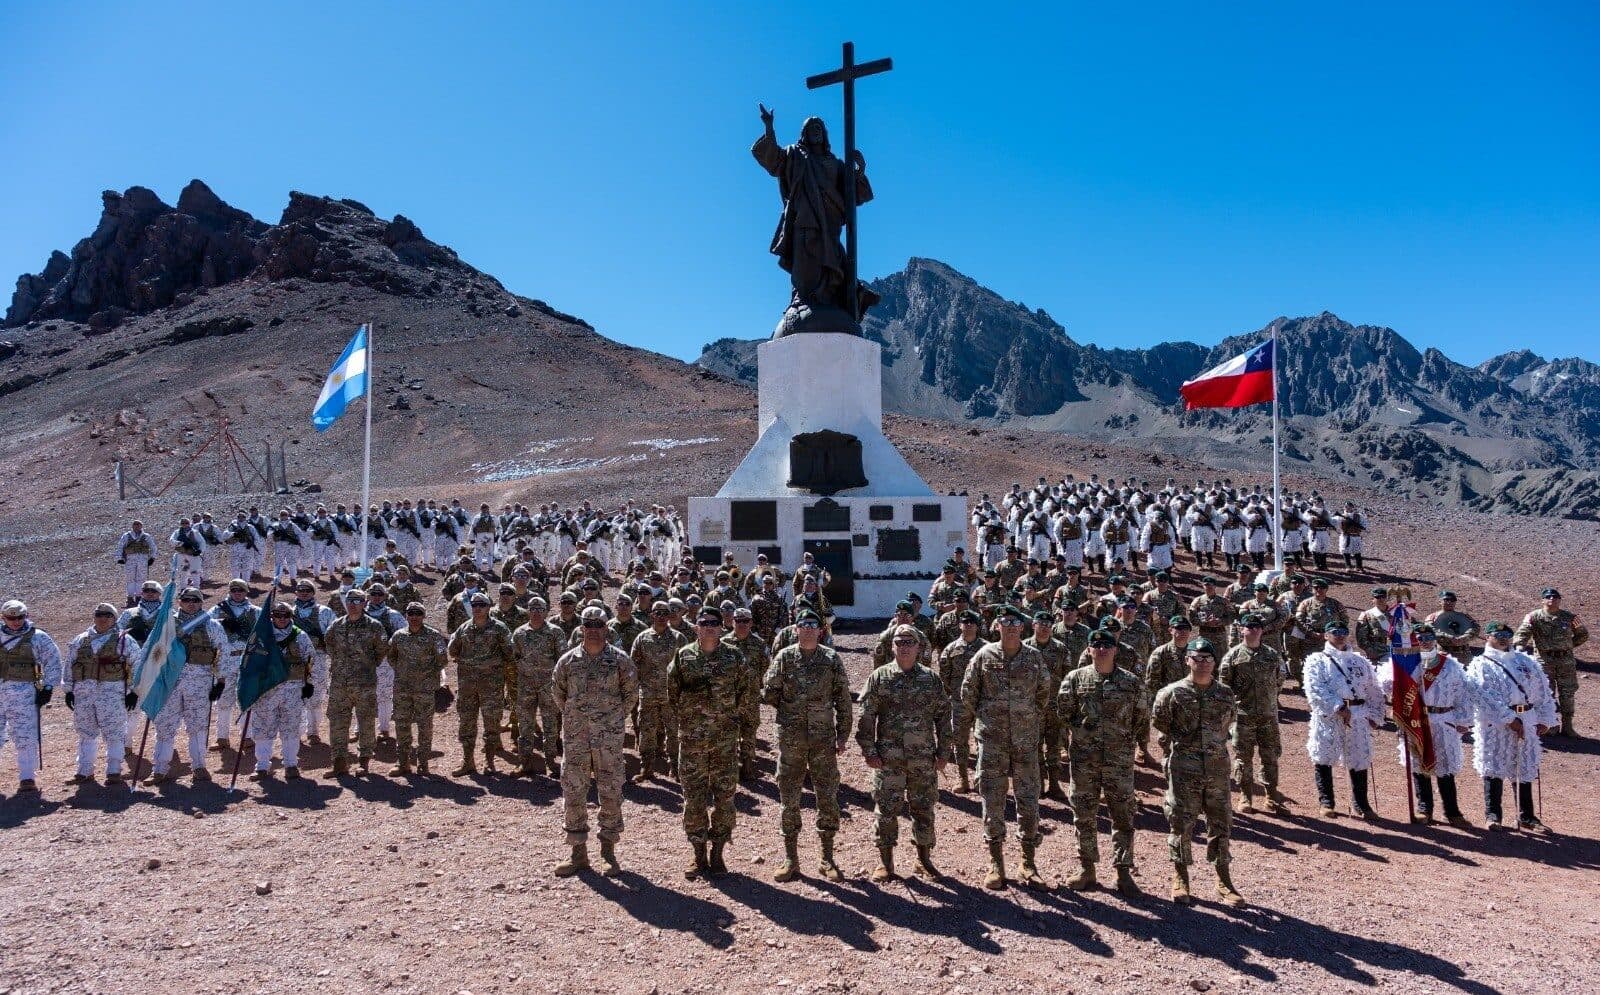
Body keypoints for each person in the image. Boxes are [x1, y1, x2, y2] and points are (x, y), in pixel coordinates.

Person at [961, 605, 1052, 890]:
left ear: (1022, 628)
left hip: (1025, 743)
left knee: (1029, 801)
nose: (1011, 626)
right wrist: (988, 718)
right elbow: (968, 692)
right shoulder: (984, 656)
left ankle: (1028, 862)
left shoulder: (1034, 658)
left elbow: (1044, 693)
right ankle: (996, 863)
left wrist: (1028, 717)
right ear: (997, 626)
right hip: (993, 743)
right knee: (992, 801)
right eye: (1005, 621)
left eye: (1016, 622)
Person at [1152, 638, 1244, 907]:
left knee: (1221, 823)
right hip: (1184, 767)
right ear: (1187, 660)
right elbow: (1161, 724)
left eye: (1207, 658)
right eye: (1197, 658)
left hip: (1216, 768)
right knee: (1181, 822)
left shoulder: (1225, 694)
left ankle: (1223, 879)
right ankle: (1180, 876)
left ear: (1215, 662)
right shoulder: (1171, 693)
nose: (1202, 663)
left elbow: (1230, 722)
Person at [856, 622, 953, 881]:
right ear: (892, 646)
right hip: (889, 759)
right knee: (886, 809)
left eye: (909, 641)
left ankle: (923, 859)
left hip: (923, 758)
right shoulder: (880, 677)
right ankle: (885, 863)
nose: (904, 646)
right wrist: (869, 750)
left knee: (923, 808)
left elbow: (944, 717)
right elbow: (866, 717)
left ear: (919, 647)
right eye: (899, 641)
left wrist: (944, 752)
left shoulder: (930, 679)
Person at [762, 608, 852, 883]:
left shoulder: (830, 658)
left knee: (827, 795)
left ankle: (827, 858)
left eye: (814, 624)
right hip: (792, 739)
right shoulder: (785, 657)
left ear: (821, 630)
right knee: (789, 797)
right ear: (796, 629)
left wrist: (842, 735)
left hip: (823, 739)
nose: (809, 629)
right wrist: (790, 712)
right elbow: (769, 691)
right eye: (804, 624)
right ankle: (791, 858)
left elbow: (843, 698)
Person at [1057, 628, 1147, 894]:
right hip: (1085, 760)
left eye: (1107, 645)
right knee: (1083, 815)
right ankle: (1087, 869)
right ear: (1089, 650)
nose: (1102, 649)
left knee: (1123, 816)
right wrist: (1083, 732)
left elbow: (1141, 717)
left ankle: (1123, 872)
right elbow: (1063, 711)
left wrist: (1122, 739)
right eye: (1096, 645)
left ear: (1116, 649)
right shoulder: (1075, 679)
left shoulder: (1131, 682)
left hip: (1118, 761)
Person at [551, 605, 639, 877]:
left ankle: (608, 853)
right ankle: (578, 854)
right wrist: (577, 719)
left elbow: (631, 696)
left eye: (598, 625)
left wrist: (610, 721)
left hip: (608, 741)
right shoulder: (567, 661)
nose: (592, 630)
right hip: (576, 740)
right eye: (588, 625)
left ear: (606, 629)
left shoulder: (621, 661)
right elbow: (558, 694)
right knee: (574, 792)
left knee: (610, 792)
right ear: (581, 629)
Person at [669, 607, 749, 879]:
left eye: (715, 623)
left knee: (725, 798)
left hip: (724, 742)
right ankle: (698, 854)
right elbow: (672, 693)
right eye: (704, 623)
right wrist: (687, 722)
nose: (710, 627)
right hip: (692, 742)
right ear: (696, 627)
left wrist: (733, 722)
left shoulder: (734, 657)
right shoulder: (683, 656)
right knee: (694, 800)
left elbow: (746, 693)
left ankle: (718, 854)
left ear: (721, 627)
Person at [1373, 624, 1472, 827]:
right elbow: (1385, 686)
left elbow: (1463, 694)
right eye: (1420, 637)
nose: (1425, 640)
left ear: (1435, 639)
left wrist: (1464, 720)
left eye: (1428, 637)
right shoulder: (1404, 663)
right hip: (1415, 719)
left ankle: (1452, 811)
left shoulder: (1449, 665)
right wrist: (1399, 670)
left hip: (1444, 720)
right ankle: (1424, 808)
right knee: (1419, 764)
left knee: (1445, 766)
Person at [1468, 622, 1557, 832]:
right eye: (1498, 634)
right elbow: (1482, 695)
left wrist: (1545, 718)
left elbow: (1543, 690)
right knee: (1494, 765)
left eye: (1507, 634)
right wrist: (1509, 719)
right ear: (1488, 637)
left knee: (1525, 766)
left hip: (1527, 716)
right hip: (1496, 723)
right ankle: (1493, 815)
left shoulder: (1526, 661)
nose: (1503, 638)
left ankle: (1527, 816)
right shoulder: (1480, 663)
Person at [146, 589, 229, 785]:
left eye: (195, 600)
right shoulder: (166, 624)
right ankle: (159, 769)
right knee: (165, 725)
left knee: (198, 726)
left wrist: (221, 680)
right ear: (179, 602)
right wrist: (149, 677)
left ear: (201, 602)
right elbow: (152, 649)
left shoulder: (211, 625)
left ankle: (199, 766)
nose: (190, 603)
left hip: (200, 682)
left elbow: (222, 652)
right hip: (170, 682)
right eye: (186, 600)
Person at [1303, 622, 1382, 819]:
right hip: (1329, 716)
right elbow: (1315, 688)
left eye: (1343, 632)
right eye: (1334, 632)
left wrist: (1375, 714)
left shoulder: (1360, 661)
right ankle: (1327, 802)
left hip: (1359, 714)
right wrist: (1339, 707)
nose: (1339, 636)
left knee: (1359, 757)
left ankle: (1362, 804)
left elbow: (1373, 688)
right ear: (1326, 635)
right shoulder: (1317, 660)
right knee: (1324, 755)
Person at [62, 604, 141, 786]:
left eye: (107, 615)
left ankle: (114, 770)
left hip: (112, 694)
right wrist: (68, 690)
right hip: (84, 695)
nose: (102, 618)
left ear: (114, 618)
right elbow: (69, 664)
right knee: (85, 732)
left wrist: (133, 691)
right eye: (99, 614)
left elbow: (136, 665)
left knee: (114, 732)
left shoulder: (124, 641)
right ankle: (84, 771)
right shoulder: (80, 640)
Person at [1218, 613, 1288, 814]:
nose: (1254, 629)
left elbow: (1280, 678)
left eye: (1257, 626)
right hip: (1243, 716)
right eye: (1250, 626)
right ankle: (1246, 796)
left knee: (1271, 756)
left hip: (1268, 715)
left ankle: (1271, 796)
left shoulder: (1272, 654)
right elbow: (1225, 687)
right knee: (1243, 757)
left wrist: (1269, 698)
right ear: (1242, 630)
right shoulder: (1232, 656)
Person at [447, 593, 515, 775]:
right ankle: (468, 761)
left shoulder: (500, 629)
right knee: (466, 724)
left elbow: (510, 652)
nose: (477, 608)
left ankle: (489, 761)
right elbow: (452, 650)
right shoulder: (463, 629)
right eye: (474, 604)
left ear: (488, 607)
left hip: (491, 687)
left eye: (482, 605)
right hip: (467, 686)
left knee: (492, 724)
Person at [248, 602, 316, 781]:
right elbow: (248, 660)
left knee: (291, 727)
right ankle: (262, 766)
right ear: (272, 616)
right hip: (266, 691)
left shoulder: (300, 636)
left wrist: (308, 683)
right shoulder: (262, 635)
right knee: (263, 728)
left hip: (292, 689)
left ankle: (291, 764)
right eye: (278, 615)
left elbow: (310, 659)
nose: (282, 619)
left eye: (286, 615)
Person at [1513, 588, 1588, 737]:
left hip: (1565, 661)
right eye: (1548, 597)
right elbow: (1522, 634)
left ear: (1560, 600)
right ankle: (1551, 724)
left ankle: (1568, 726)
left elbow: (1583, 635)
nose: (1552, 599)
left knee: (1568, 693)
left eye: (1555, 597)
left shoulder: (1570, 617)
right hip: (1543, 660)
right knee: (1547, 694)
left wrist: (1568, 646)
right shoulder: (1533, 617)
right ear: (1542, 600)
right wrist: (1519, 648)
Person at [387, 603, 449, 776]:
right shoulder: (398, 636)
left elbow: (443, 660)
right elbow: (391, 657)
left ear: (423, 616)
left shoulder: (433, 636)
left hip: (424, 690)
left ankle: (423, 763)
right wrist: (404, 672)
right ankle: (403, 763)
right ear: (406, 616)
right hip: (403, 688)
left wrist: (427, 674)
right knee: (402, 724)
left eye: (418, 613)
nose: (414, 617)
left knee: (424, 726)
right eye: (410, 613)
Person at [509, 597, 565, 777]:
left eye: (540, 608)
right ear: (527, 611)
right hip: (526, 687)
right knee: (525, 726)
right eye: (532, 608)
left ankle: (551, 762)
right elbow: (514, 656)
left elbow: (562, 660)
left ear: (546, 611)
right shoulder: (519, 633)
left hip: (548, 687)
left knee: (550, 726)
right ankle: (524, 763)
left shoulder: (555, 632)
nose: (536, 612)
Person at [631, 603, 684, 781]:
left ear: (670, 616)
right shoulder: (642, 638)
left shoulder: (679, 639)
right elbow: (634, 665)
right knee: (647, 731)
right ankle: (646, 768)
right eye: (658, 613)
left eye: (665, 613)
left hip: (672, 695)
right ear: (652, 615)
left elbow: (686, 666)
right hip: (648, 694)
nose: (661, 616)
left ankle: (676, 768)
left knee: (674, 732)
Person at [935, 608, 985, 794]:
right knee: (960, 741)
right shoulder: (950, 650)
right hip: (959, 703)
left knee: (983, 742)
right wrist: (956, 694)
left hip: (982, 703)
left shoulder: (987, 649)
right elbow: (944, 677)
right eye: (965, 622)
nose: (969, 625)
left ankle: (981, 778)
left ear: (977, 626)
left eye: (972, 622)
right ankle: (963, 777)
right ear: (960, 625)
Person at [1027, 611, 1073, 802]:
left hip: (1055, 707)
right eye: (1041, 624)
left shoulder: (1061, 649)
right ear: (1033, 625)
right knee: (1034, 746)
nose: (1044, 627)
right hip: (1032, 707)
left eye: (1048, 624)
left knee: (1054, 747)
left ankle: (1054, 784)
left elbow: (1068, 677)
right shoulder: (1025, 648)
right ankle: (1039, 784)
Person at [723, 606, 771, 781]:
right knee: (729, 731)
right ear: (732, 622)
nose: (742, 624)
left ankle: (748, 764)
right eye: (738, 620)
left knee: (749, 731)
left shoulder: (759, 644)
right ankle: (730, 766)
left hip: (750, 697)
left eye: (745, 621)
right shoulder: (724, 643)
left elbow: (767, 668)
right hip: (729, 697)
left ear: (751, 622)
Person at [209, 580, 257, 749]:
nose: (237, 592)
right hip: (225, 660)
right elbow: (206, 627)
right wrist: (222, 623)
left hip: (246, 660)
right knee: (223, 700)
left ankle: (247, 736)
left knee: (246, 697)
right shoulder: (217, 610)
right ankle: (222, 737)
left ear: (246, 591)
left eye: (241, 590)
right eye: (234, 590)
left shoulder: (255, 612)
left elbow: (264, 634)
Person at [288, 581, 334, 748]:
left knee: (315, 697)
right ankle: (297, 733)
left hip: (318, 659)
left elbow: (333, 636)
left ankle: (313, 731)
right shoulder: (288, 613)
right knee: (295, 697)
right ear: (296, 592)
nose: (304, 593)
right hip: (294, 661)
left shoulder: (325, 612)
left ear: (313, 592)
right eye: (301, 590)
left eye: (308, 590)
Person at [1425, 590, 1480, 661]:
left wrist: (1463, 638)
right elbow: (1431, 632)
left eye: (1452, 600)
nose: (1449, 602)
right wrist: (1451, 638)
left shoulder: (1463, 616)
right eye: (1446, 600)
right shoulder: (1432, 617)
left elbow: (1476, 628)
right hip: (1444, 654)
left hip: (1464, 655)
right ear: (1440, 601)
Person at [114, 521, 158, 606]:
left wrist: (152, 558)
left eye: (139, 524)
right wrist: (119, 558)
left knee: (141, 579)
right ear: (132, 526)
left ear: (141, 526)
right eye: (135, 524)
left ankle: (139, 597)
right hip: (130, 559)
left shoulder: (146, 537)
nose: (137, 526)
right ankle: (130, 597)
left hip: (142, 560)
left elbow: (153, 547)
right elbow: (120, 546)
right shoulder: (127, 536)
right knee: (130, 578)